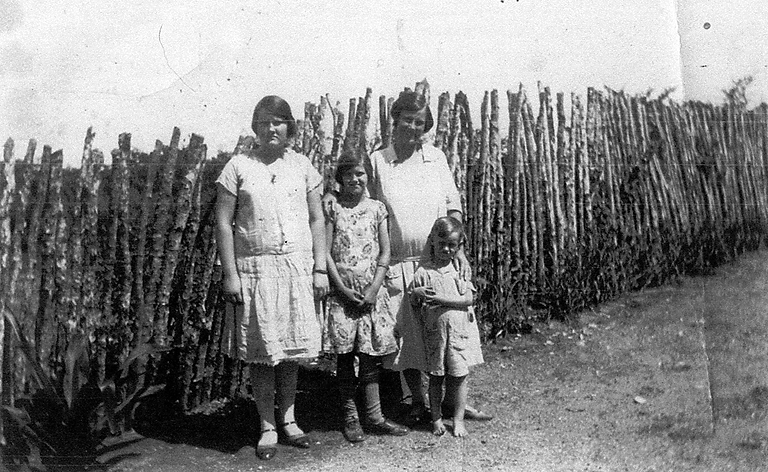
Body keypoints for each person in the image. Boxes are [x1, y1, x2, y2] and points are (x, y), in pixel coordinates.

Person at [362, 90, 492, 425]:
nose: (413, 128)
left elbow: (453, 207)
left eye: (420, 123)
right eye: (408, 119)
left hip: (441, 261)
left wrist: (459, 250)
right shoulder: (379, 161)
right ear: (395, 119)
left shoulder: (436, 158)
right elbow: (371, 212)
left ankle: (453, 402)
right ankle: (418, 401)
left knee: (451, 330)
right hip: (400, 262)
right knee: (410, 336)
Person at [215, 95, 329, 461]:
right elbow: (223, 221)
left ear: (290, 127)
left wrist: (320, 267)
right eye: (264, 122)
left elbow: (316, 219)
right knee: (263, 353)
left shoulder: (303, 166)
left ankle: (290, 420)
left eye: (278, 122)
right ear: (255, 127)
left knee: (291, 351)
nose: (271, 128)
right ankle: (266, 426)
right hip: (256, 270)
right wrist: (230, 273)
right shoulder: (237, 167)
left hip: (295, 266)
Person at [322, 152, 409, 443]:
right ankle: (350, 417)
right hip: (342, 297)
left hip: (373, 294)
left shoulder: (377, 209)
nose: (356, 179)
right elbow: (325, 253)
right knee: (345, 358)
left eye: (361, 174)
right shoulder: (333, 210)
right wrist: (343, 290)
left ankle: (374, 415)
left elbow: (385, 251)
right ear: (340, 178)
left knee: (370, 357)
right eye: (349, 174)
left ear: (367, 177)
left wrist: (373, 289)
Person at [410, 217, 483, 437]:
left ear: (459, 245)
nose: (446, 249)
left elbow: (469, 300)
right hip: (435, 336)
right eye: (441, 244)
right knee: (435, 378)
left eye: (452, 245)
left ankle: (458, 420)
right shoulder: (423, 272)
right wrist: (416, 293)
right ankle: (436, 419)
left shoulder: (459, 271)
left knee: (460, 377)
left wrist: (442, 300)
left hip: (458, 335)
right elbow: (413, 303)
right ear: (432, 241)